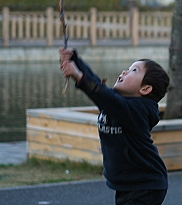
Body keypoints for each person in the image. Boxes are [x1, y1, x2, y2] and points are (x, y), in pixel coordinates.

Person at [59, 48, 169, 205]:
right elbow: (99, 87)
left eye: (134, 70)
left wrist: (79, 76)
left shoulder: (139, 111)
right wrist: (75, 60)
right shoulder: (116, 102)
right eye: (128, 68)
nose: (125, 71)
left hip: (146, 184)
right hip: (126, 183)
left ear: (145, 89)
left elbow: (102, 95)